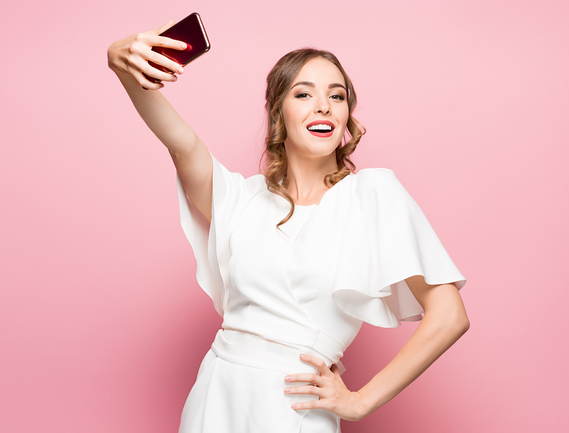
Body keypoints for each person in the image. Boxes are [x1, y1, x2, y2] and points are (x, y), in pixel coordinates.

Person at [107, 19, 470, 433]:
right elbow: (179, 141)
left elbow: (449, 315)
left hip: (294, 408)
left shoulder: (373, 193)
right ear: (277, 111)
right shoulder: (240, 198)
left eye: (337, 96)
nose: (324, 106)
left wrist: (360, 401)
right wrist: (122, 66)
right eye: (304, 94)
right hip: (216, 396)